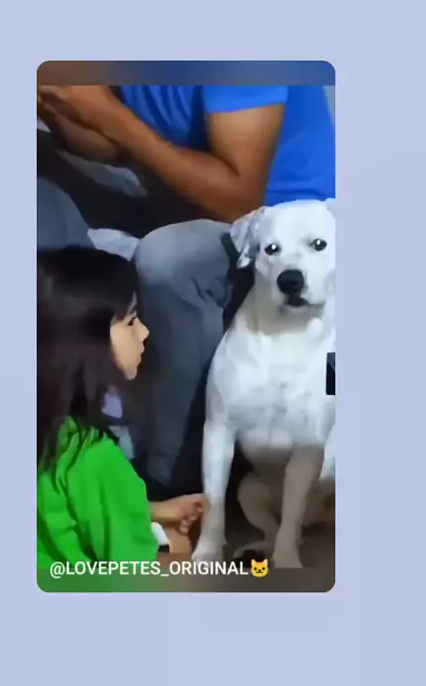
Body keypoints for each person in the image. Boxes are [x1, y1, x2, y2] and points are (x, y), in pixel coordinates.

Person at [37, 84, 335, 500]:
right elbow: (113, 148)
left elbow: (238, 200)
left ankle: (173, 478)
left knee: (167, 260)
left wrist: (109, 115)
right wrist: (57, 104)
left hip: (272, 229)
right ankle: (63, 446)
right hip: (168, 192)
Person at [37, 246, 206, 569]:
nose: (144, 332)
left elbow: (62, 507)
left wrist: (148, 509)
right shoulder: (93, 455)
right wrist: (175, 551)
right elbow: (138, 578)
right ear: (82, 342)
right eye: (130, 321)